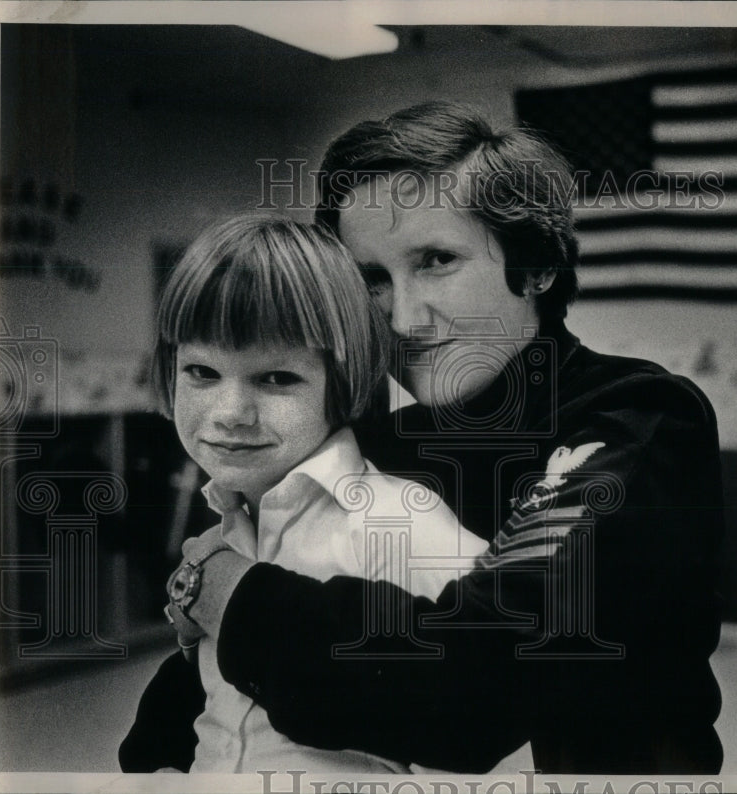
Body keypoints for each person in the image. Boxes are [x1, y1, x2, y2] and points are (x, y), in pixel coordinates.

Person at [120, 102, 725, 774]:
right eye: (372, 278)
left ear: (535, 267)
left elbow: (478, 680)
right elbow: (213, 689)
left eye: (436, 260)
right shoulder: (373, 442)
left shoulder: (637, 419)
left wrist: (224, 589)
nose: (403, 318)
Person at [120, 213, 487, 773]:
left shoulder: (404, 526)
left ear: (340, 381)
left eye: (275, 378)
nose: (229, 414)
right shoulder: (227, 528)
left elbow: (487, 733)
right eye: (201, 371)